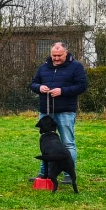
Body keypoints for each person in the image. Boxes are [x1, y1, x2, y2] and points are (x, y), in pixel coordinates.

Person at [29, 42, 87, 183]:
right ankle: (45, 173)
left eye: (59, 55)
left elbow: (82, 86)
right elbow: (33, 83)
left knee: (67, 143)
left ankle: (69, 175)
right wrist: (39, 87)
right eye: (53, 55)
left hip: (65, 111)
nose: (56, 58)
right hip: (46, 112)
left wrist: (62, 91)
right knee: (46, 145)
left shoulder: (76, 67)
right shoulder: (43, 67)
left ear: (66, 53)